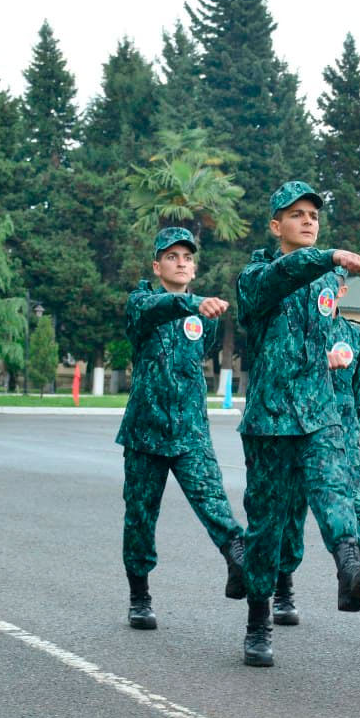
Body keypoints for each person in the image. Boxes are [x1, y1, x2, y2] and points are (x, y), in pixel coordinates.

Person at [235, 181, 360, 667]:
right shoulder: (256, 276)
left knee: (333, 490)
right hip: (270, 419)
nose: (307, 221)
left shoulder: (326, 281)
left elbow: (318, 333)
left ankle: (350, 568)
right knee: (266, 525)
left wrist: (330, 358)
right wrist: (329, 257)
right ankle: (258, 620)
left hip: (319, 414)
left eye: (313, 215)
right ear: (275, 225)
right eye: (296, 214)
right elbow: (283, 276)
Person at [115, 227, 247, 630]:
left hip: (190, 432)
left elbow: (200, 355)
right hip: (145, 432)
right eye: (171, 257)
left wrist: (197, 307)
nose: (181, 263)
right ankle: (140, 597)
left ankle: (239, 564)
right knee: (140, 518)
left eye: (187, 257)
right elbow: (158, 309)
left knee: (215, 506)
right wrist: (191, 303)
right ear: (157, 266)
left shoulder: (204, 317)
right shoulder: (141, 303)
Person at [274, 278, 360, 627]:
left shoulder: (355, 334)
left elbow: (358, 392)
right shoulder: (294, 329)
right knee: (290, 514)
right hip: (298, 434)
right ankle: (283, 590)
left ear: (342, 291)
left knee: (359, 507)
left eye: (332, 285)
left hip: (343, 438)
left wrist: (349, 431)